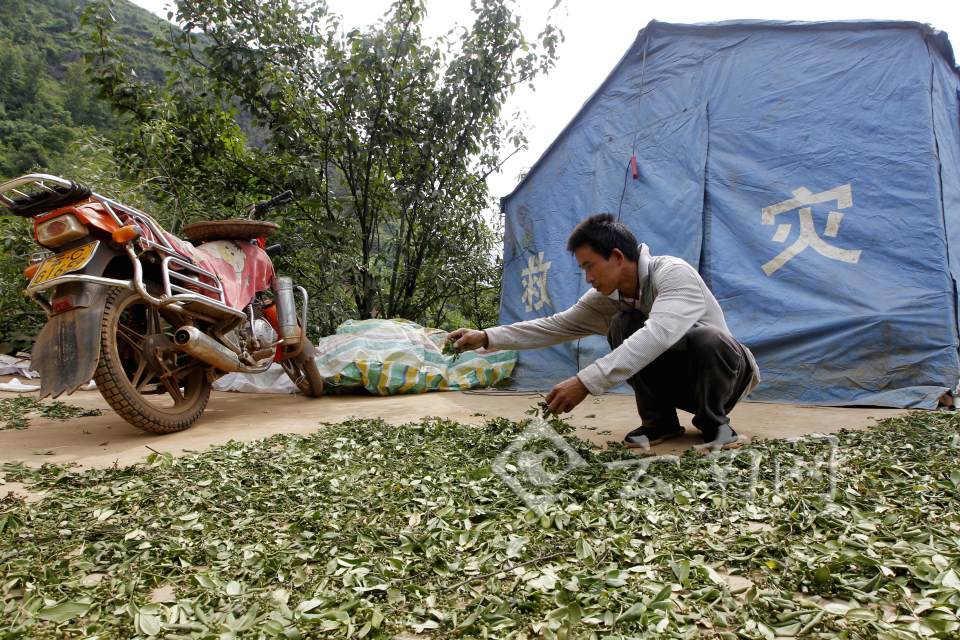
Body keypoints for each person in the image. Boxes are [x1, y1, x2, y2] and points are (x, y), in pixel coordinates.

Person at [448, 213, 760, 450]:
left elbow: (658, 334)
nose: (587, 278)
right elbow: (555, 326)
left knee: (704, 337)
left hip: (727, 379)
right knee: (622, 324)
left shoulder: (674, 275)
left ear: (618, 257)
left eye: (590, 266)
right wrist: (487, 337)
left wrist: (586, 381)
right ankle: (660, 423)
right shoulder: (605, 300)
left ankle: (715, 426)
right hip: (682, 385)